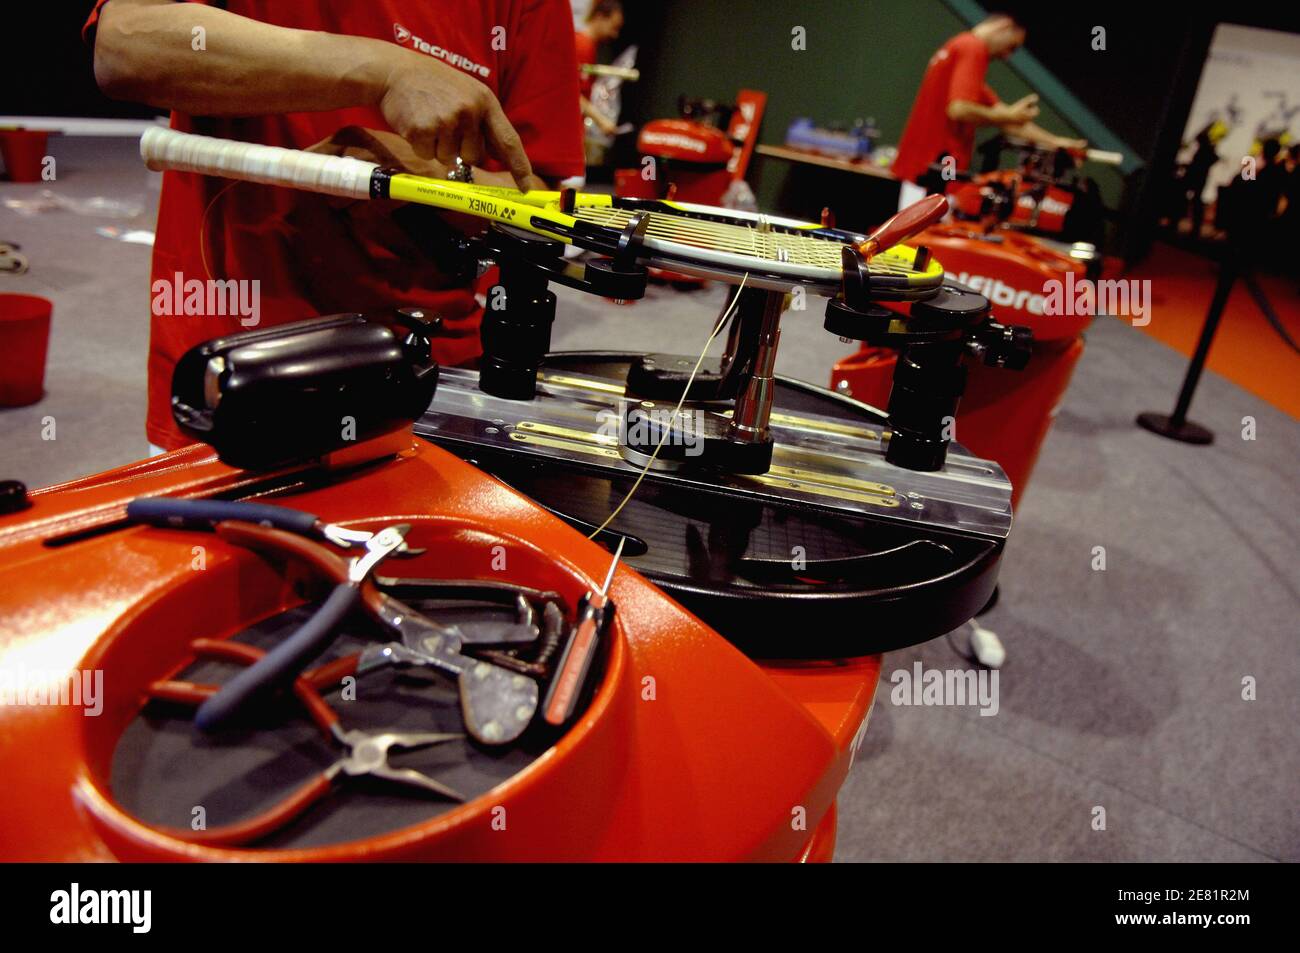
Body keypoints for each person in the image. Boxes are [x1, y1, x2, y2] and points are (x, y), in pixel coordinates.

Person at [86, 0, 583, 453]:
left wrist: (431, 178)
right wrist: (385, 72)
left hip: (428, 378)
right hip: (236, 367)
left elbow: (547, 205)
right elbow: (125, 45)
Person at [891, 13, 1086, 192]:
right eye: (1012, 47)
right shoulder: (973, 47)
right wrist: (1010, 115)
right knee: (926, 230)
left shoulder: (958, 47)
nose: (1007, 56)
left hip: (927, 172)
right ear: (1003, 26)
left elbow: (1008, 122)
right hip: (933, 174)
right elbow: (958, 110)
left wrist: (1059, 143)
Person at [574, 0, 624, 137]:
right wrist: (601, 121)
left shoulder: (588, 46)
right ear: (600, 16)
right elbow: (571, 92)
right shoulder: (582, 45)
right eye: (613, 27)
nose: (615, 34)